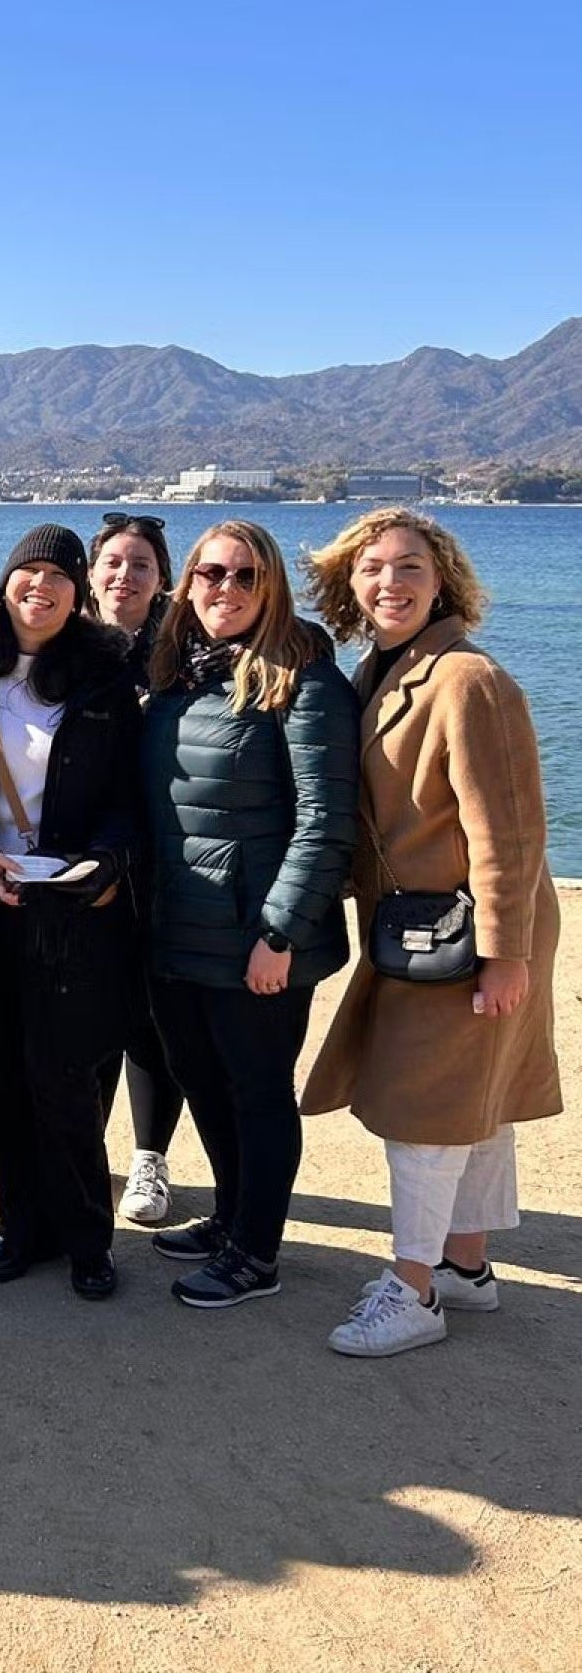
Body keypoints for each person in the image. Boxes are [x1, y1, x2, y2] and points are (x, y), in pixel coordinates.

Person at [300, 510, 562, 1357]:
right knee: (472, 1101)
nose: (390, 583)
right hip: (423, 928)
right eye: (372, 569)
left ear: (441, 579)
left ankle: (413, 1290)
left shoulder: (466, 681)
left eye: (409, 567)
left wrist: (506, 953)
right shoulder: (391, 670)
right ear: (350, 585)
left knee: (425, 1109)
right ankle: (466, 1267)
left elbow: (509, 831)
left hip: (460, 931)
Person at [0, 526, 142, 1299]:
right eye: (27, 572)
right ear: (6, 581)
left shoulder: (105, 677)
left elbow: (128, 798)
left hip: (75, 903)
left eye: (58, 577)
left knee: (71, 1075)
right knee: (4, 1073)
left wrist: (104, 863)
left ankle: (87, 1237)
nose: (39, 588)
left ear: (80, 594)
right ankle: (20, 1226)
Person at [142, 518, 359, 1307]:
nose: (224, 590)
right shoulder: (181, 676)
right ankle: (232, 1216)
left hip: (258, 939)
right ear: (186, 584)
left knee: (259, 1090)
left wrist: (279, 934)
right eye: (209, 574)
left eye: (243, 576)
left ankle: (256, 1254)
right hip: (179, 927)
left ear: (271, 587)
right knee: (201, 1079)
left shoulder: (305, 681)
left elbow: (324, 821)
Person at [84, 511, 189, 1226]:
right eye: (114, 563)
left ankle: (150, 1158)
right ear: (91, 574)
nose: (126, 576)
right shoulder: (58, 644)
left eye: (142, 565)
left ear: (163, 580)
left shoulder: (185, 653)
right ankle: (84, 1152)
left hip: (164, 857)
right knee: (84, 1010)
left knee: (153, 1016)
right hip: (78, 861)